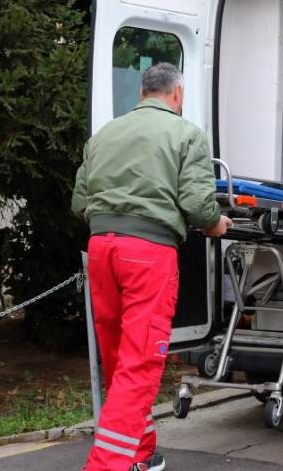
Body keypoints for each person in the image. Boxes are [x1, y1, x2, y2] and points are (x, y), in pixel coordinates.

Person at [72, 63, 233, 471]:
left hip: (101, 250)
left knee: (119, 360)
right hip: (147, 255)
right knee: (141, 362)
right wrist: (216, 224)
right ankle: (106, 466)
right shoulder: (187, 134)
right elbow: (197, 205)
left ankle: (141, 453)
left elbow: (79, 203)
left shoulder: (105, 134)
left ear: (143, 94)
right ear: (177, 94)